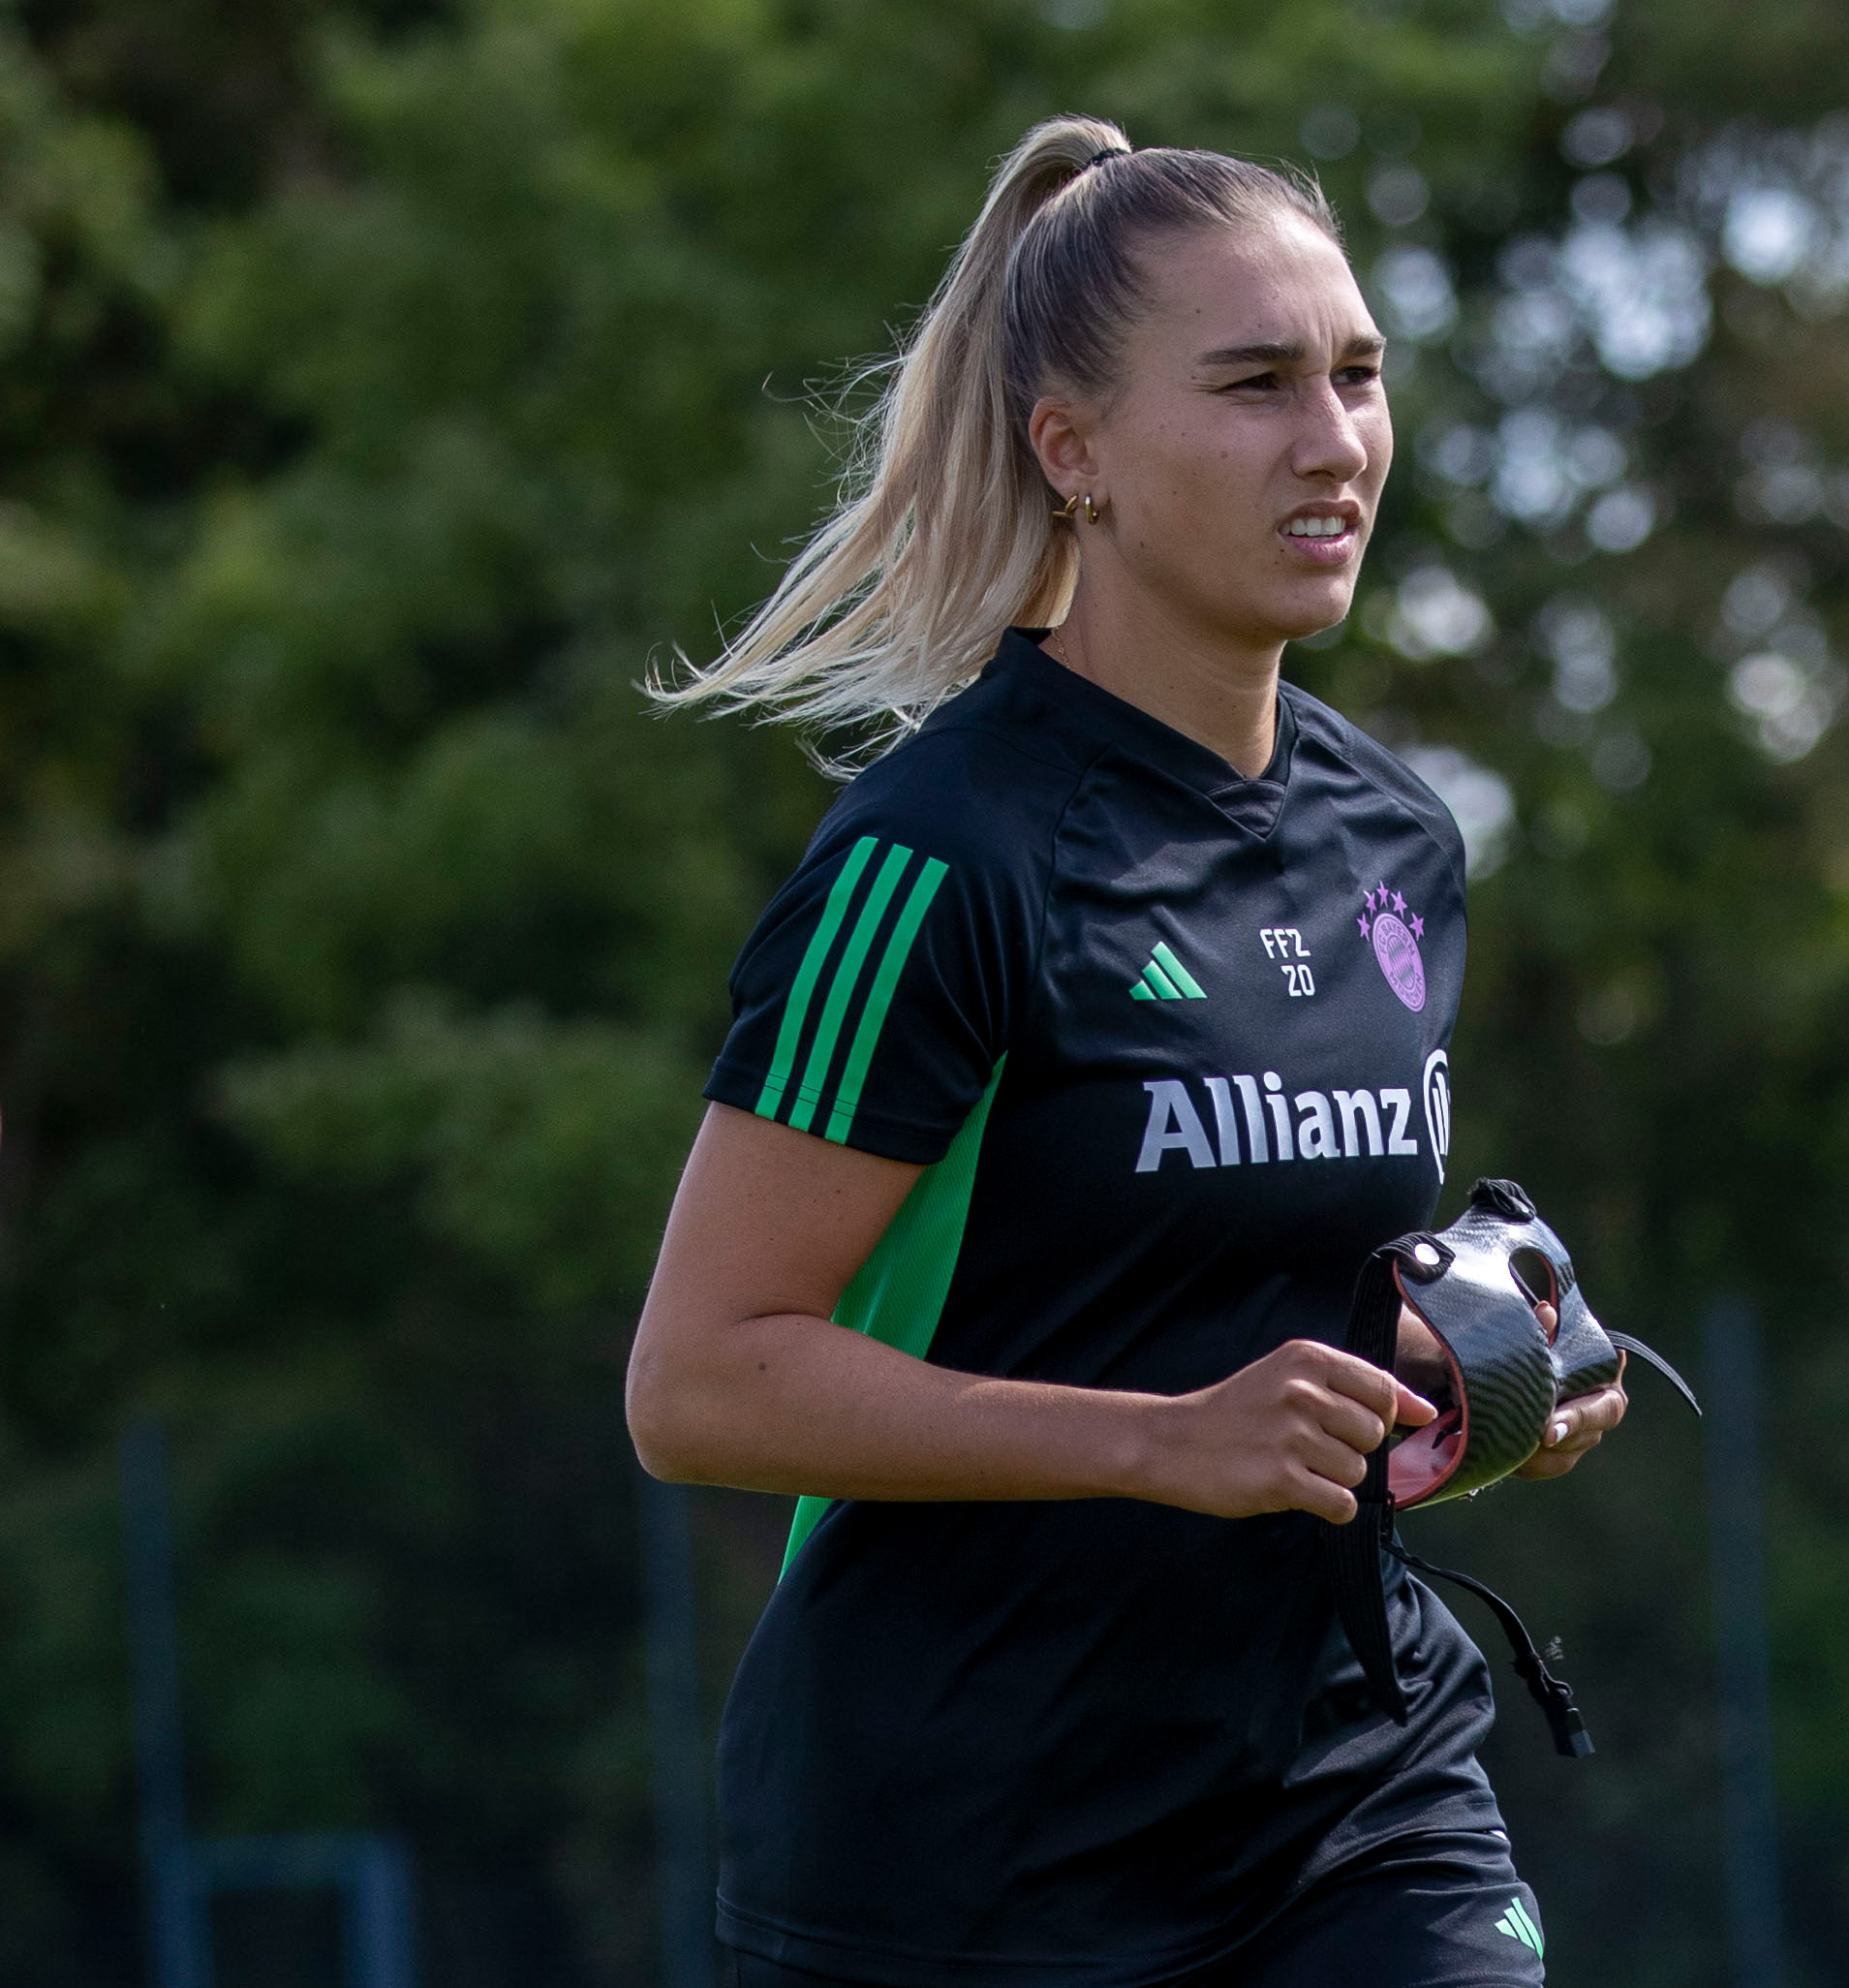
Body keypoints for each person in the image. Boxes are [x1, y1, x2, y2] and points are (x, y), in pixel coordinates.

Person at [623, 114, 1624, 1988]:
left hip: (1350, 1784)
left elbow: (1227, 1292)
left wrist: (1472, 1377)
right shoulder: (940, 861)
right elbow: (700, 1387)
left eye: (1358, 376)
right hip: (964, 1857)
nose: (1332, 442)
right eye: (1254, 386)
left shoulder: (1396, 837)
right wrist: (1160, 1444)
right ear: (1068, 449)